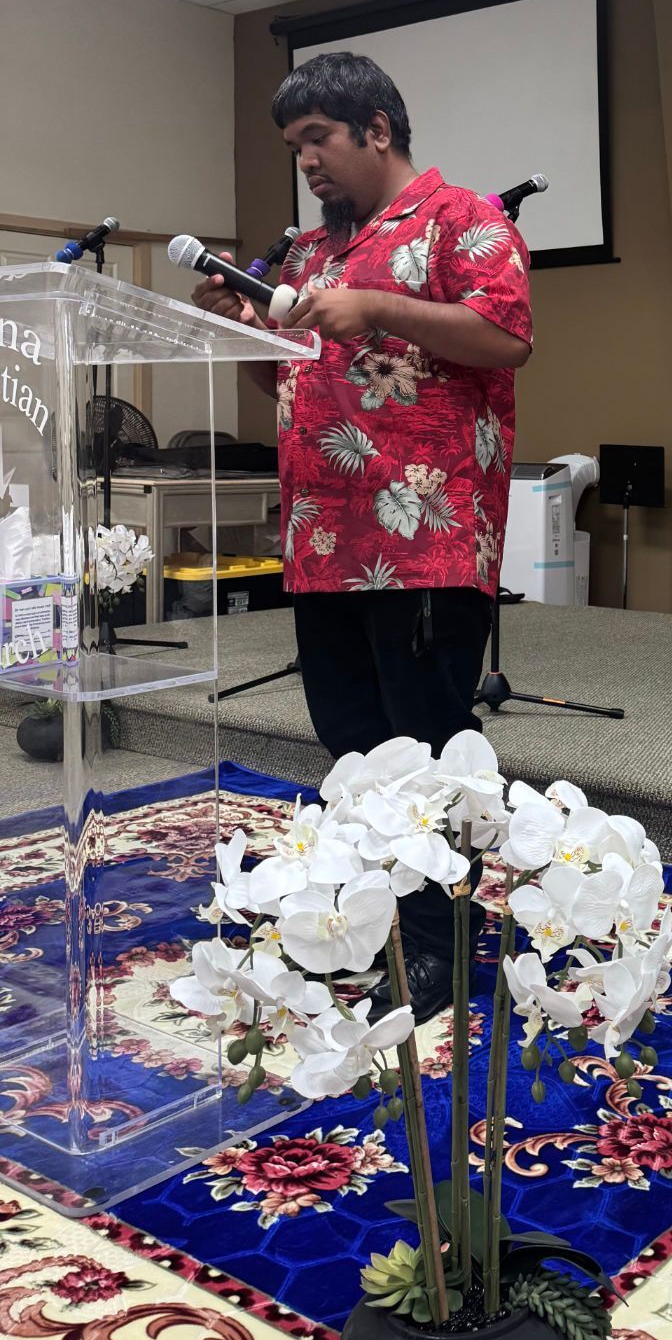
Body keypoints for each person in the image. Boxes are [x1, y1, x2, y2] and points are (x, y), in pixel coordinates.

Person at [192, 51, 533, 1020]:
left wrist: (377, 306)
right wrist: (247, 333)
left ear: (376, 128)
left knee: (425, 751)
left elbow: (506, 336)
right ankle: (383, 930)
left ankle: (444, 948)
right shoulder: (305, 254)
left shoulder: (465, 218)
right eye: (295, 147)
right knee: (351, 747)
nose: (307, 162)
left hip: (421, 535)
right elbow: (289, 382)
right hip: (321, 538)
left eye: (318, 140)